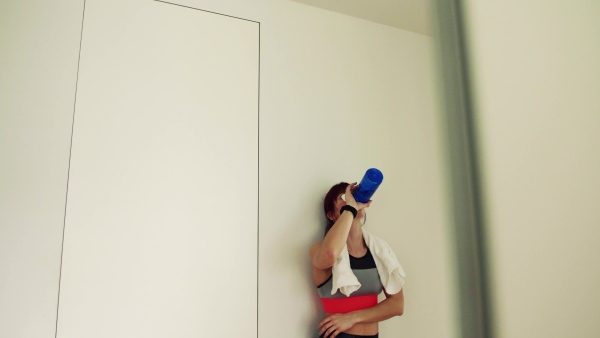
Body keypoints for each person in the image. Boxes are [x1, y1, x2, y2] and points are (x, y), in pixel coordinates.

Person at [310, 182, 404, 338]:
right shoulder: (318, 250)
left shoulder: (379, 252)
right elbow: (330, 254)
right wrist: (350, 209)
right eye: (343, 197)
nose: (350, 199)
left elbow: (397, 305)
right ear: (332, 215)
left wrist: (352, 318)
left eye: (352, 196)